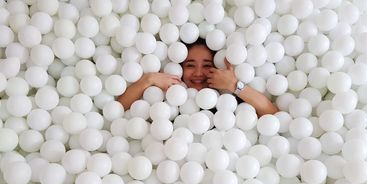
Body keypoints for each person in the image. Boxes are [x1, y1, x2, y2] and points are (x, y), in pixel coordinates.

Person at [117, 39, 279, 116]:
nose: (198, 73)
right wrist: (148, 79)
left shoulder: (230, 100)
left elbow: (273, 115)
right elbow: (118, 109)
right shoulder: (164, 96)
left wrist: (235, 85)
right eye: (190, 65)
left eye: (207, 65)